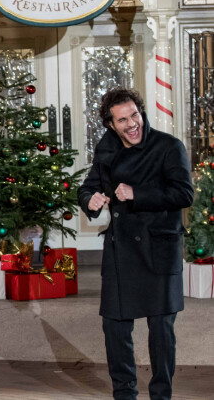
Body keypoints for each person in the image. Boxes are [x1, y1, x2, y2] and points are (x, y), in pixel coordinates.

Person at [78, 88, 193, 400]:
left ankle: (161, 394)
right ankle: (124, 393)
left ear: (142, 113)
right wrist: (93, 199)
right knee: (115, 329)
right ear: (112, 125)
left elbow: (184, 194)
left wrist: (137, 194)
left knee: (160, 332)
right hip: (122, 250)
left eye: (135, 115)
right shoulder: (107, 152)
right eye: (122, 120)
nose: (132, 124)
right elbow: (86, 190)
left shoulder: (169, 147)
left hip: (159, 249)